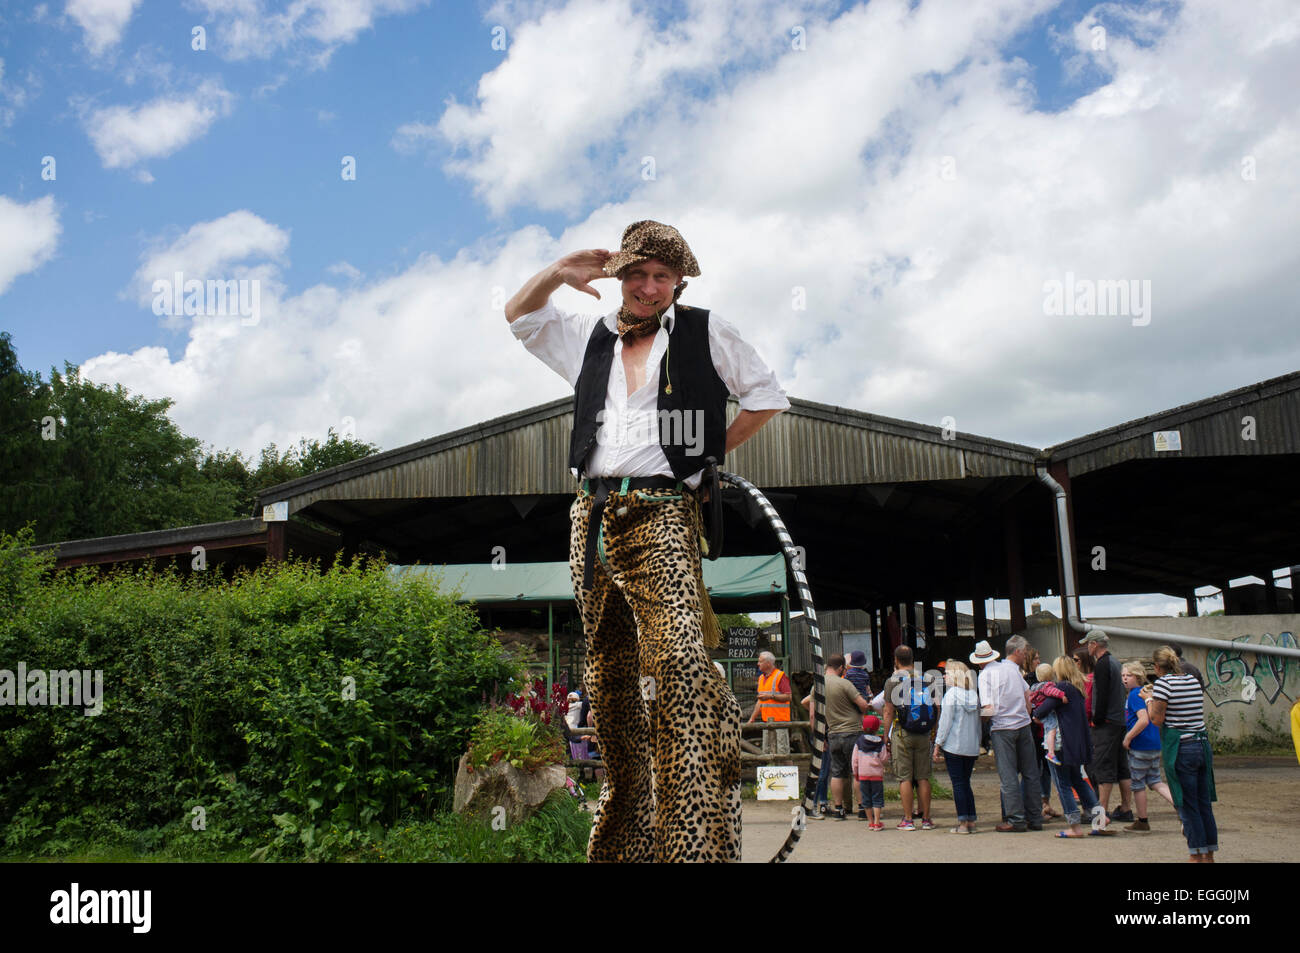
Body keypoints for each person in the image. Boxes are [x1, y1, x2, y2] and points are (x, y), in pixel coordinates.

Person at [505, 221, 789, 862]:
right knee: (607, 677)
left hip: (661, 509)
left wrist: (704, 460)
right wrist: (558, 270)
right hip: (593, 513)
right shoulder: (591, 335)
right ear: (619, 278)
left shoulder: (705, 330)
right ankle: (624, 840)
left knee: (682, 664)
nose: (649, 287)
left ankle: (696, 842)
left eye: (662, 276)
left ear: (678, 283)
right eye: (637, 274)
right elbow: (518, 316)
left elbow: (767, 395)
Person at [1145, 645, 1219, 862]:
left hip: (1181, 747)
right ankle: (1209, 854)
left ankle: (1195, 855)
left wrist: (1148, 699)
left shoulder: (1163, 684)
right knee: (1204, 802)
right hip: (1201, 743)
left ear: (1157, 667)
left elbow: (1157, 719)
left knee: (1186, 803)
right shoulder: (1192, 680)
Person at [973, 636, 1043, 832]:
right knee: (1030, 773)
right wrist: (1024, 715)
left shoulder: (985, 675)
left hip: (1002, 728)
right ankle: (1035, 817)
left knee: (1009, 776)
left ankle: (1016, 819)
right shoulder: (1011, 669)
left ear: (980, 662)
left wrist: (979, 719)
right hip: (1023, 724)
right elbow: (1027, 697)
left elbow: (988, 708)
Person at [1035, 655, 1107, 838]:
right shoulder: (1078, 688)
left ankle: (1074, 827)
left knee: (1062, 784)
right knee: (1078, 782)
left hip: (1061, 743)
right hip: (1076, 742)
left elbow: (1041, 710)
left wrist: (1036, 710)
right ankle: (1100, 819)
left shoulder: (1061, 688)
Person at [880, 645, 940, 830]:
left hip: (902, 732)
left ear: (896, 660)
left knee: (905, 778)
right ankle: (927, 819)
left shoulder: (892, 681)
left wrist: (886, 735)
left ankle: (907, 820)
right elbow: (937, 707)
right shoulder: (929, 678)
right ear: (913, 659)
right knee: (923, 777)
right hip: (923, 733)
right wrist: (933, 730)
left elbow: (889, 711)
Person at [1081, 632, 1135, 823]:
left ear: (1095, 644)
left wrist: (1097, 719)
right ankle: (1126, 807)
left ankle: (1100, 815)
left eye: (1088, 644)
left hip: (1107, 723)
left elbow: (1101, 694)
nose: (1087, 647)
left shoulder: (1102, 664)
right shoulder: (1115, 662)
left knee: (1102, 767)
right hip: (1119, 720)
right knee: (1122, 766)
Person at [1121, 661, 1175, 831]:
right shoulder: (1146, 693)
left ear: (1137, 676)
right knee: (1155, 780)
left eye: (1128, 675)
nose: (1124, 679)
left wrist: (1128, 737)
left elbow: (1143, 720)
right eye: (1123, 675)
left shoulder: (1135, 695)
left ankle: (1142, 820)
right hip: (1154, 743)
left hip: (1141, 744)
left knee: (1137, 784)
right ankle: (1182, 806)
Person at [933, 659, 981, 834]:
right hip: (970, 746)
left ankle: (962, 822)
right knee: (965, 783)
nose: (944, 675)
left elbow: (945, 723)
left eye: (946, 673)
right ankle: (971, 820)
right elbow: (978, 724)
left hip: (954, 745)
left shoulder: (951, 695)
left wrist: (938, 744)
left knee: (958, 784)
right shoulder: (973, 695)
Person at [824, 654, 870, 820]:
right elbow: (863, 705)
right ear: (841, 668)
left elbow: (808, 704)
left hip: (833, 733)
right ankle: (862, 808)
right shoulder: (845, 683)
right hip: (852, 731)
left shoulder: (819, 684)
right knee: (856, 772)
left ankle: (839, 809)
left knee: (837, 773)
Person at [747, 651, 792, 757]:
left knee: (782, 752)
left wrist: (771, 696)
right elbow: (760, 701)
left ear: (768, 663)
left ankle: (788, 772)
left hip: (780, 722)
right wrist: (752, 719)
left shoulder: (780, 676)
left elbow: (788, 697)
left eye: (760, 661)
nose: (758, 664)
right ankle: (771, 772)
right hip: (767, 722)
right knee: (767, 752)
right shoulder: (761, 678)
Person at [852, 714, 888, 830]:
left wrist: (855, 772)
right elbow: (884, 758)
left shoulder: (859, 742)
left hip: (863, 775)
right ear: (877, 728)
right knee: (877, 798)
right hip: (876, 775)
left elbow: (854, 760)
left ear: (863, 728)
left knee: (866, 799)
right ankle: (877, 822)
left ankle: (871, 822)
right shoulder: (880, 743)